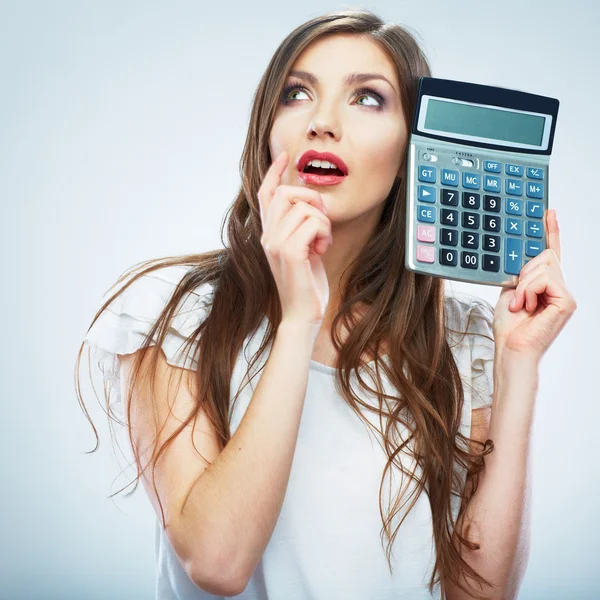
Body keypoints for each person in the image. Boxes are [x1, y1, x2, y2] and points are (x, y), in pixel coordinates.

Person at [75, 8, 577, 600]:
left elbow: (482, 595)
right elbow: (217, 561)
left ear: (414, 148)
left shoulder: (466, 341)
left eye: (368, 98)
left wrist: (518, 366)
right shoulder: (175, 314)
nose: (323, 122)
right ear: (268, 130)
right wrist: (296, 320)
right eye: (296, 93)